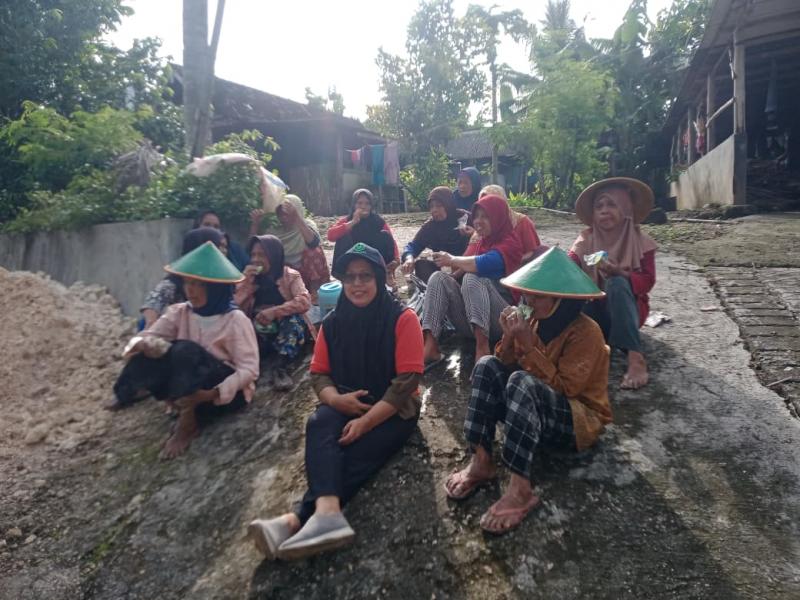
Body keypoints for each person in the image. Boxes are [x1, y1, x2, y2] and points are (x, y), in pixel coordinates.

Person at [248, 243, 424, 561]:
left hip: (393, 409)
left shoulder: (403, 319)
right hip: (346, 398)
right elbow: (319, 374)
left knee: (351, 451)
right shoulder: (332, 323)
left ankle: (295, 520)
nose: (357, 284)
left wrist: (366, 422)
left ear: (378, 278)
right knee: (319, 423)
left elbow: (406, 384)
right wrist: (335, 400)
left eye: (365, 276)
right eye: (350, 277)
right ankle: (328, 514)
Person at [444, 247, 611, 533]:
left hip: (577, 419)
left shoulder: (586, 331)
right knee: (486, 365)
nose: (529, 301)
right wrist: (509, 337)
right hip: (532, 410)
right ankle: (481, 459)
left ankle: (520, 488)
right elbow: (502, 361)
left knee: (522, 381)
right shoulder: (530, 316)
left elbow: (567, 389)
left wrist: (529, 345)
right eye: (527, 294)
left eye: (538, 296)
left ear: (560, 297)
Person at [112, 242, 259, 459]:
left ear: (215, 287)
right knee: (150, 350)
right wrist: (140, 344)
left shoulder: (236, 319)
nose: (190, 290)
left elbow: (249, 370)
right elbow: (150, 334)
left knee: (184, 350)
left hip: (219, 393)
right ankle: (125, 393)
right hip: (187, 383)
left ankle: (187, 424)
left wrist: (211, 393)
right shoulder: (179, 312)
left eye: (199, 284)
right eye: (188, 283)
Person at [568, 177, 657, 390]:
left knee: (616, 283)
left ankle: (635, 357)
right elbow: (569, 263)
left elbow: (647, 281)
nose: (604, 211)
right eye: (599, 206)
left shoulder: (641, 241)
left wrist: (621, 273)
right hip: (595, 309)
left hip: (629, 310)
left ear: (625, 208)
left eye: (611, 204)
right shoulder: (586, 239)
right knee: (571, 293)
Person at [421, 194, 522, 365]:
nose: (478, 221)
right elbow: (467, 264)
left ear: (498, 218)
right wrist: (449, 278)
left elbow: (483, 263)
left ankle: (482, 348)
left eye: (485, 217)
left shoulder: (510, 243)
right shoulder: (483, 242)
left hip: (502, 323)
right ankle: (431, 345)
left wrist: (451, 259)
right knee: (438, 278)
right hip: (473, 323)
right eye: (476, 216)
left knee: (473, 276)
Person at [235, 235, 314, 391]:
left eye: (262, 255)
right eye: (253, 255)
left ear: (274, 255)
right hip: (261, 330)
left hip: (285, 330)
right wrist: (245, 282)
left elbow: (304, 301)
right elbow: (234, 307)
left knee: (293, 321)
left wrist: (275, 311)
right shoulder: (250, 278)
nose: (256, 260)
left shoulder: (290, 275)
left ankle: (280, 367)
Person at [140, 227, 224, 329]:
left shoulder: (224, 280)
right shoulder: (174, 283)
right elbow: (154, 302)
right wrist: (151, 323)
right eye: (219, 246)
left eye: (224, 247)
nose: (223, 251)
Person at [249, 194, 330, 298]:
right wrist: (255, 224)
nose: (284, 218)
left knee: (314, 251)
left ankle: (315, 293)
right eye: (280, 214)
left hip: (308, 274)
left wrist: (297, 218)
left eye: (287, 214)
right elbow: (253, 246)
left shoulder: (307, 225)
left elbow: (313, 242)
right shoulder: (274, 230)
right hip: (287, 275)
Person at [328, 189, 400, 285]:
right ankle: (345, 276)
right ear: (354, 204)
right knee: (342, 236)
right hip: (354, 257)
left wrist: (396, 259)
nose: (363, 206)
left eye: (367, 203)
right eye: (359, 203)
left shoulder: (378, 221)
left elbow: (391, 240)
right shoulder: (348, 220)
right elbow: (330, 236)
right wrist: (353, 222)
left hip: (373, 258)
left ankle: (386, 273)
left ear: (371, 206)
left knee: (385, 235)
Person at [400, 186, 472, 278]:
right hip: (447, 276)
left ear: (448, 205)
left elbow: (484, 240)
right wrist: (409, 258)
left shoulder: (465, 218)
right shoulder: (430, 226)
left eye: (439, 206)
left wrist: (473, 234)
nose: (434, 210)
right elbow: (413, 246)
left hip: (468, 269)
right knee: (422, 266)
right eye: (431, 207)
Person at [478, 184, 544, 263]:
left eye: (491, 204)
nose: (487, 208)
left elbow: (533, 253)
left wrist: (508, 263)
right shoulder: (483, 224)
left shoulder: (522, 222)